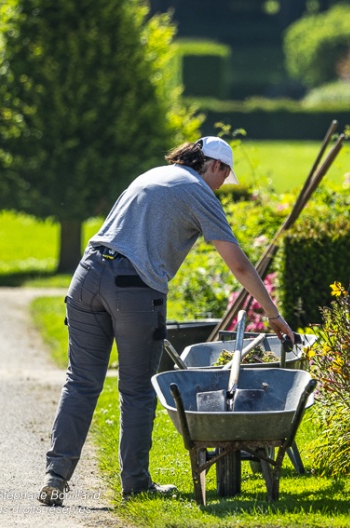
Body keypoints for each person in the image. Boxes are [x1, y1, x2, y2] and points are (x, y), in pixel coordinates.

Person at [38, 136, 294, 506]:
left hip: (87, 276)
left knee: (80, 381)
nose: (222, 185)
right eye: (224, 176)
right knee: (137, 390)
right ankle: (137, 484)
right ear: (215, 165)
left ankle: (55, 477)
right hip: (134, 288)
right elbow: (237, 263)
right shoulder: (199, 191)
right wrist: (272, 314)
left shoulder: (152, 175)